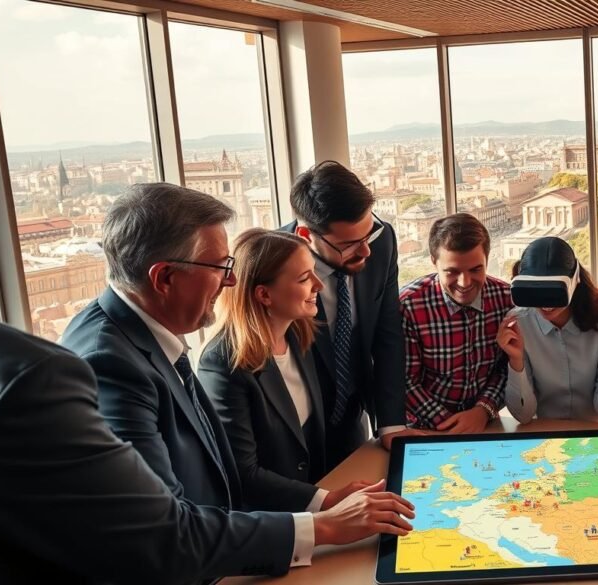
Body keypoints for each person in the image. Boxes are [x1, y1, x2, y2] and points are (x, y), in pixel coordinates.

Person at [60, 183, 413, 574]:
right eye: (220, 268)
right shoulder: (109, 366)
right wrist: (325, 525)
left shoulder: (142, 332)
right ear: (163, 279)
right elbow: (165, 529)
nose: (231, 281)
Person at [199, 229, 365, 513]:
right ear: (264, 294)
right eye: (304, 279)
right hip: (270, 522)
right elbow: (243, 474)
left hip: (312, 504)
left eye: (313, 272)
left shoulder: (299, 335)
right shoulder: (223, 363)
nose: (319, 285)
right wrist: (326, 500)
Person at [283, 160, 415, 466]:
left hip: (354, 417)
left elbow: (388, 334)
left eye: (367, 234)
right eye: (350, 244)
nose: (366, 250)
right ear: (306, 234)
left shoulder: (382, 241)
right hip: (298, 432)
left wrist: (391, 423)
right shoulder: (272, 261)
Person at [497, 237, 598, 424]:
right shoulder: (519, 321)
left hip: (593, 429)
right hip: (545, 430)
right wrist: (516, 361)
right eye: (537, 290)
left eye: (554, 290)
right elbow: (523, 415)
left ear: (574, 280)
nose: (545, 303)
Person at [399, 213, 513, 433]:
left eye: (476, 270)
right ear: (434, 261)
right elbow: (405, 382)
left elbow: (507, 368)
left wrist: (482, 411)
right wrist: (449, 424)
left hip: (485, 424)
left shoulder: (506, 298)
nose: (465, 282)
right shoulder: (409, 306)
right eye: (452, 271)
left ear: (487, 260)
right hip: (425, 429)